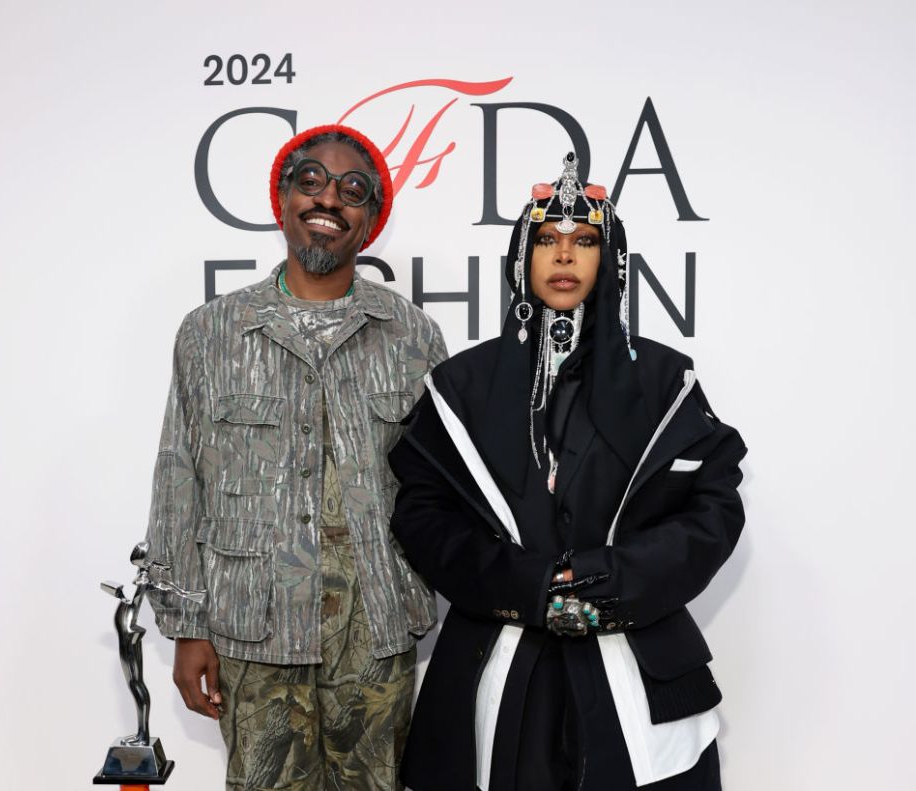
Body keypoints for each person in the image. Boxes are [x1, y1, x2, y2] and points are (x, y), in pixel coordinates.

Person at [389, 152, 747, 790]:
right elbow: (422, 515)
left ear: (608, 259)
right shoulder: (459, 385)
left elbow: (713, 509)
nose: (564, 256)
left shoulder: (664, 379)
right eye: (548, 240)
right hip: (496, 662)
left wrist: (604, 579)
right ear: (521, 257)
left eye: (584, 241)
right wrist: (525, 583)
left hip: (636, 663)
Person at [143, 124, 447, 791]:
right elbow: (178, 479)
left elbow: (440, 490)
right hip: (253, 629)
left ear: (370, 219)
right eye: (310, 179)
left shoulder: (414, 336)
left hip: (376, 634)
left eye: (352, 188)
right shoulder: (212, 332)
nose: (328, 198)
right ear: (282, 200)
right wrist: (186, 624)